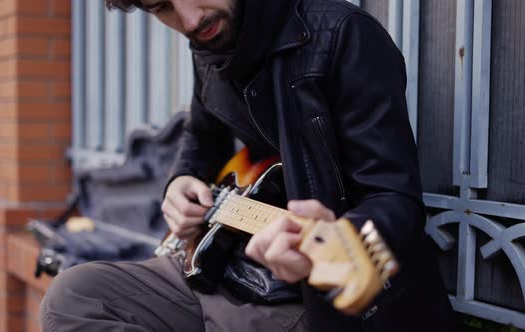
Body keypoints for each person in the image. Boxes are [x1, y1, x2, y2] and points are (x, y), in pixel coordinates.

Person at [40, 0, 455, 331]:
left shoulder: (345, 35)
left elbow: (394, 197)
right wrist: (181, 179)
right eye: (161, 7)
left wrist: (337, 240)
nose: (188, 18)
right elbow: (201, 137)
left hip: (306, 299)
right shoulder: (206, 41)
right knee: (73, 295)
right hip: (221, 265)